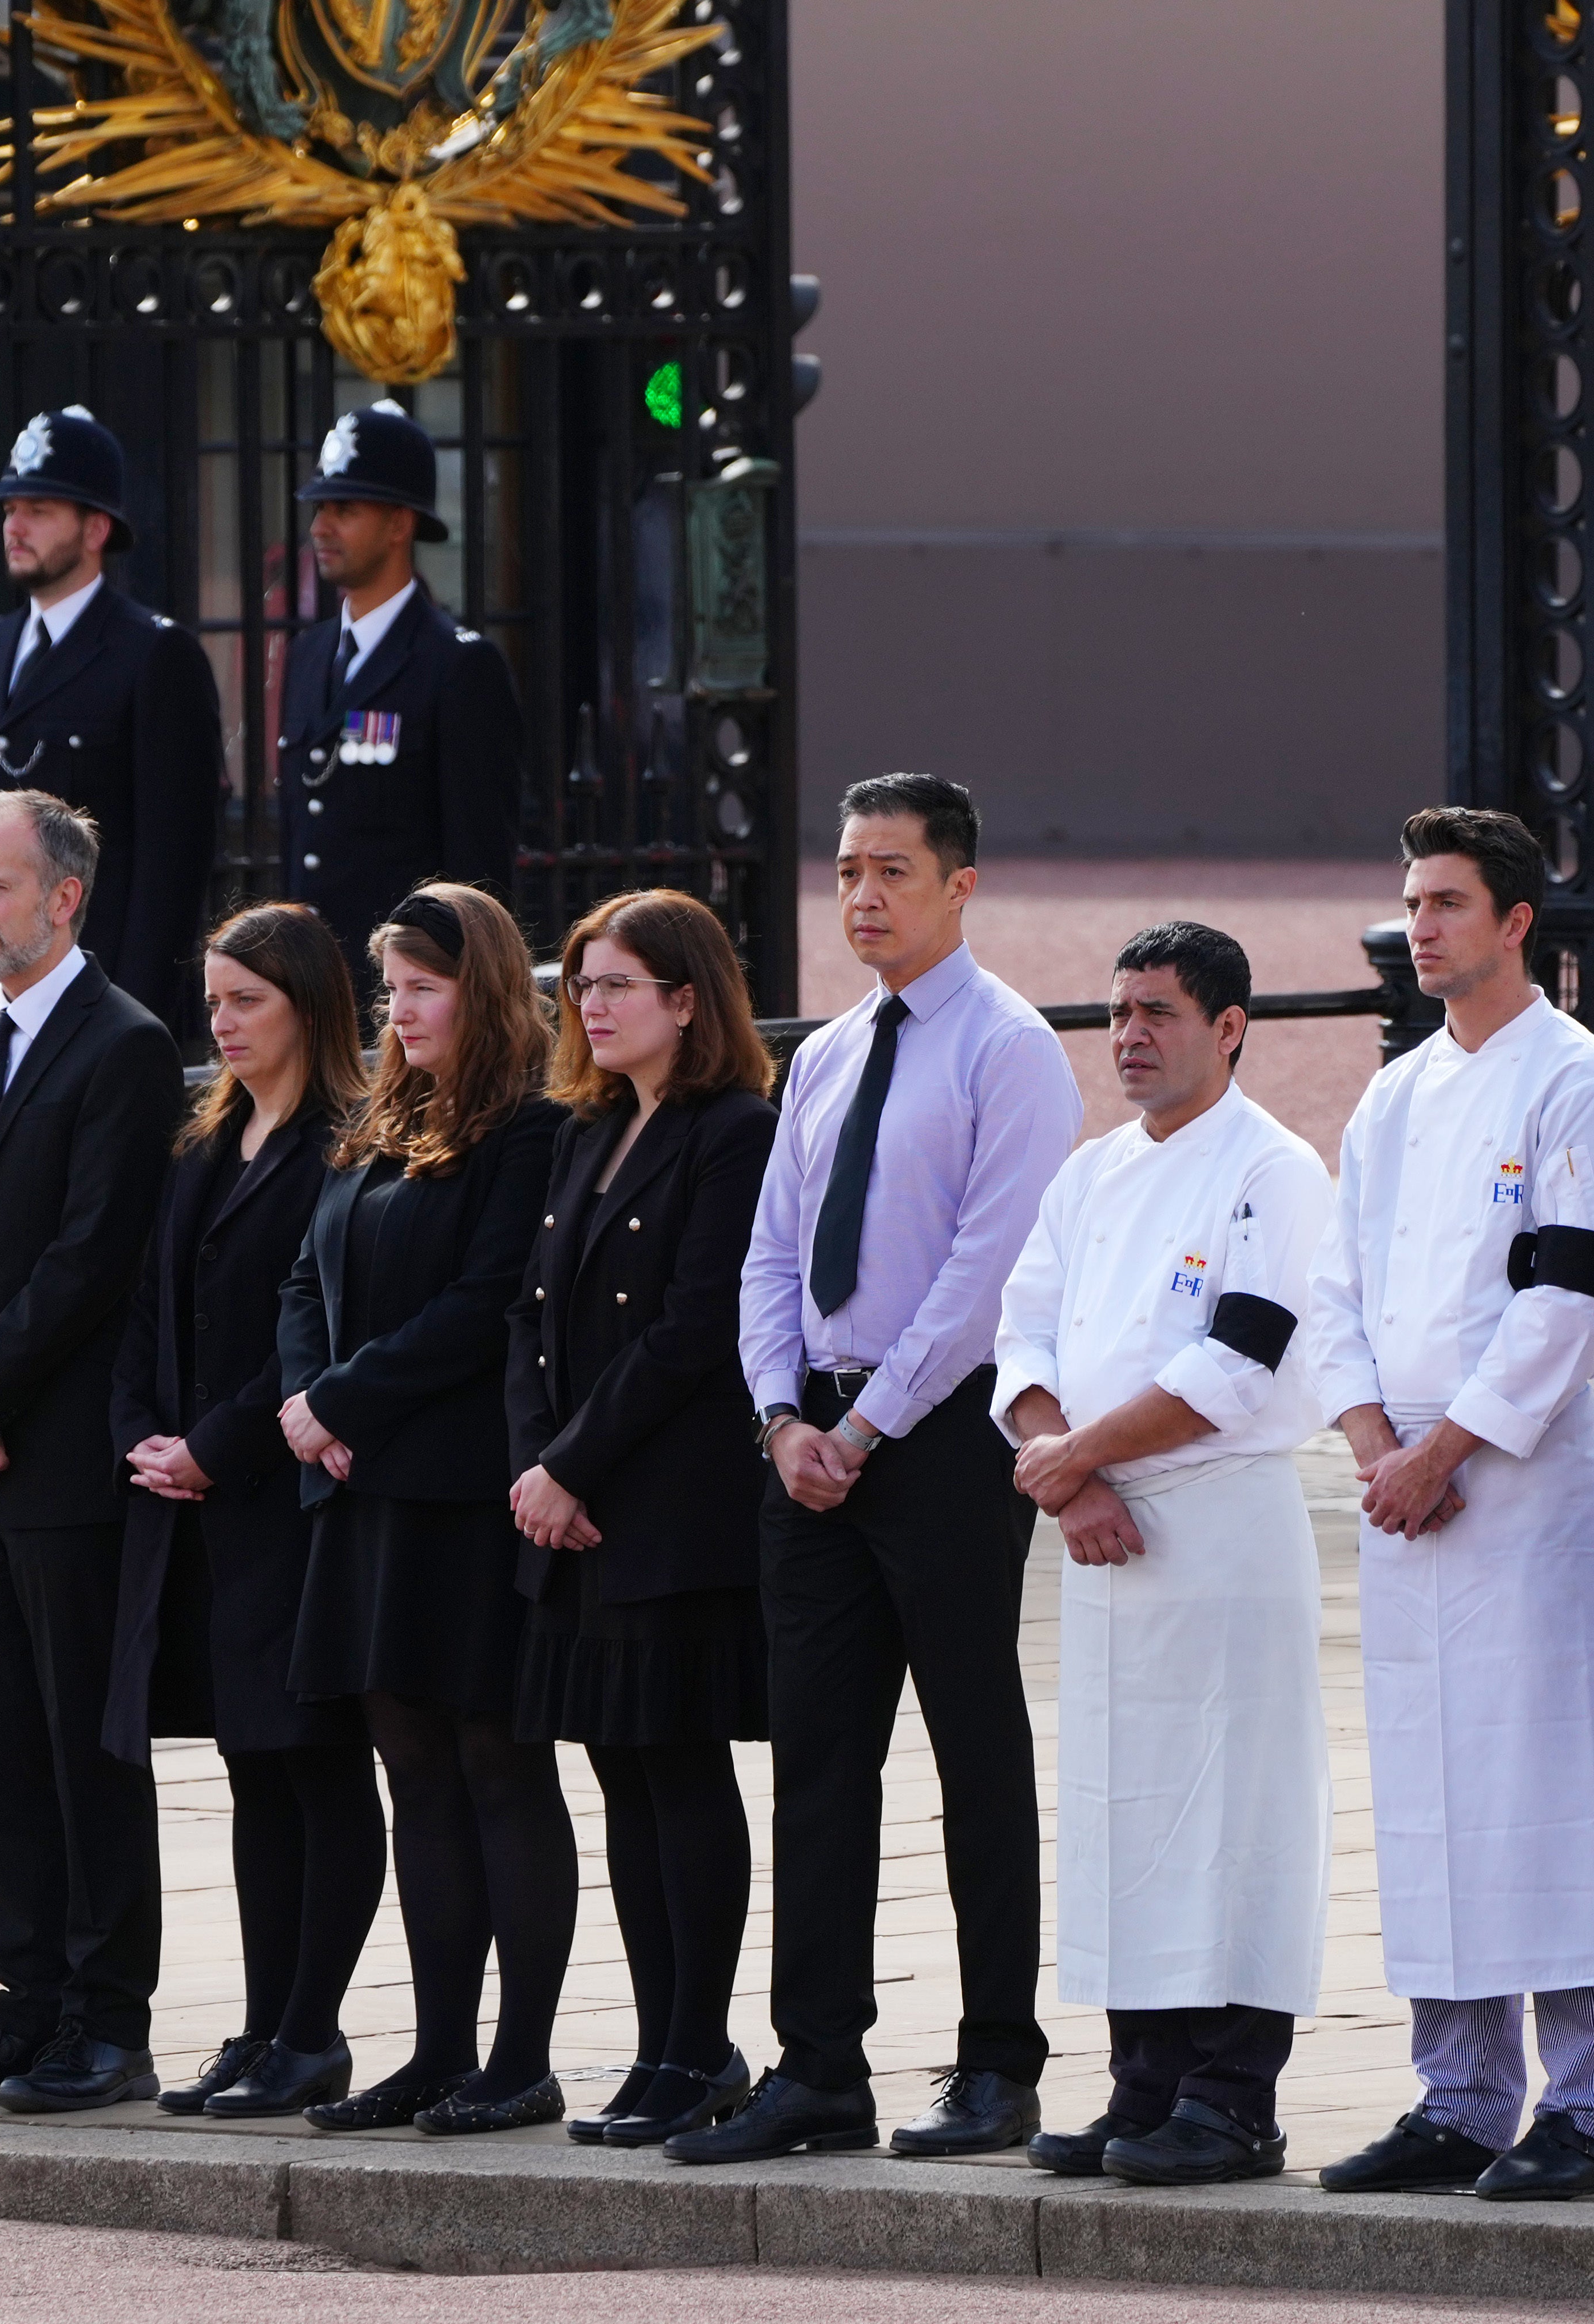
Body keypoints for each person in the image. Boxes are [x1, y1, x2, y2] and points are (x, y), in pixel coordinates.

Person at [675, 773, 1079, 2168]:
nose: (861, 897)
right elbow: (771, 1253)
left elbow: (988, 1270)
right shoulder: (829, 1052)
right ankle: (817, 2065)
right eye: (845, 869)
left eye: (891, 872)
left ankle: (994, 2065)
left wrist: (866, 1428)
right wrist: (782, 1415)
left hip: (942, 1444)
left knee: (976, 1750)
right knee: (820, 1762)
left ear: (958, 885)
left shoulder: (1009, 1049)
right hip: (812, 1452)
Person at [1309, 808, 1594, 2204]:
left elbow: (1567, 1300)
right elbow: (1335, 1292)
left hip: (1515, 1494)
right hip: (1399, 1496)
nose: (1419, 927)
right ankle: (1456, 2095)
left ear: (1517, 921)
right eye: (1410, 902)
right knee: (1431, 1798)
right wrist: (1366, 1444)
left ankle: (1589, 2103)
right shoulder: (1393, 1097)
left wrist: (1442, 1449)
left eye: (1447, 903)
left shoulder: (1579, 1087)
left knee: (1553, 1794)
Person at [991, 923, 1335, 2190]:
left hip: (1221, 1523)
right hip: (1107, 1538)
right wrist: (1063, 1466)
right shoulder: (1087, 1175)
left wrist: (1078, 1459)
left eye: (1160, 1014)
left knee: (1237, 1812)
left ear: (1231, 1026)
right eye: (1119, 1013)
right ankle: (1143, 2084)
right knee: (1128, 1812)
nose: (1130, 1036)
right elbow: (1020, 1335)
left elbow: (1235, 1363)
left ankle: (1234, 2095)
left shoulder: (1276, 1170)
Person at [0, 791, 185, 2112]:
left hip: (58, 1466)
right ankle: (23, 2000)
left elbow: (86, 1264)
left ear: (64, 898)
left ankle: (105, 2017)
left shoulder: (121, 1046)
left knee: (81, 1750)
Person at [273, 883, 571, 2135]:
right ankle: (437, 2047)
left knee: (498, 1763)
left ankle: (521, 2057)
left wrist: (340, 1400)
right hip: (363, 1492)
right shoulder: (378, 1113)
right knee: (415, 1775)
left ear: (486, 987)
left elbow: (483, 1301)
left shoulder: (529, 1126)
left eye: (425, 984)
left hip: (460, 1489)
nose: (400, 1006)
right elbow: (307, 1273)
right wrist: (306, 1400)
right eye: (391, 984)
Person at [510, 889, 777, 2150]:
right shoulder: (588, 1128)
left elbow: (693, 1328)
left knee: (679, 1770)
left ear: (687, 998)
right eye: (581, 984)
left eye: (618, 984)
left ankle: (700, 2043)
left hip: (668, 1506)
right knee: (619, 1772)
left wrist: (575, 1466)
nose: (591, 1006)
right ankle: (663, 2038)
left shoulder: (734, 1130)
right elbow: (531, 1314)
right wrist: (537, 1466)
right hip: (574, 1504)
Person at [110, 903, 384, 2122]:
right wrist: (143, 1436)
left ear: (311, 1006)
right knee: (248, 1770)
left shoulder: (345, 1139)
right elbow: (149, 1308)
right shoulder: (206, 1138)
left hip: (289, 1503)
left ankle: (313, 2029)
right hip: (199, 1508)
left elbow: (317, 1326)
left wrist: (214, 1445)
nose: (221, 1024)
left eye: (246, 1002)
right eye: (212, 1000)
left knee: (314, 1766)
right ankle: (263, 2019)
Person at [0, 405, 223, 1026]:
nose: (15, 526)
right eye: (9, 510)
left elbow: (172, 863)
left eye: (39, 510)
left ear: (96, 528)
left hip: (101, 996)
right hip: (2, 989)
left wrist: (131, 1012)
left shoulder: (153, 652)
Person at [280, 403, 520, 955]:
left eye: (344, 509)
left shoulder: (458, 666)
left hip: (404, 990)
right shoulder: (308, 655)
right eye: (318, 508)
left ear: (399, 523)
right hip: (313, 984)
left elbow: (478, 872)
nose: (321, 527)